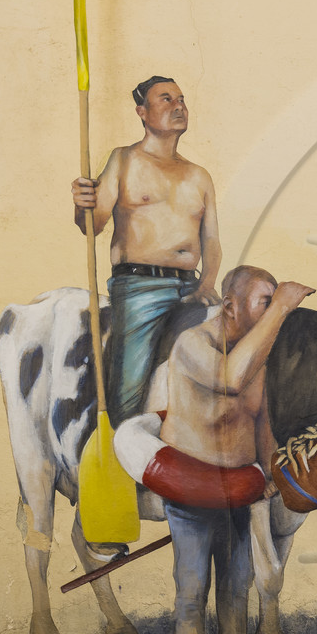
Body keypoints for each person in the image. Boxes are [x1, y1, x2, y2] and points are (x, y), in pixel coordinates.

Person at [159, 265, 313, 634]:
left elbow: (259, 416)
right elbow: (229, 379)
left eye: (272, 300)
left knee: (237, 581)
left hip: (240, 489)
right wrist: (284, 305)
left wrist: (270, 469)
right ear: (230, 306)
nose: (272, 310)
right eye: (263, 301)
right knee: (192, 591)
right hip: (191, 488)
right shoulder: (193, 345)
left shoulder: (256, 353)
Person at [71, 75, 222, 425]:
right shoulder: (124, 160)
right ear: (142, 111)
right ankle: (123, 450)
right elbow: (92, 226)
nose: (178, 105)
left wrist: (207, 283)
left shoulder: (199, 175)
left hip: (192, 286)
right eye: (166, 99)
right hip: (140, 289)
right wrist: (82, 204)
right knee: (128, 392)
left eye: (181, 99)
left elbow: (211, 239)